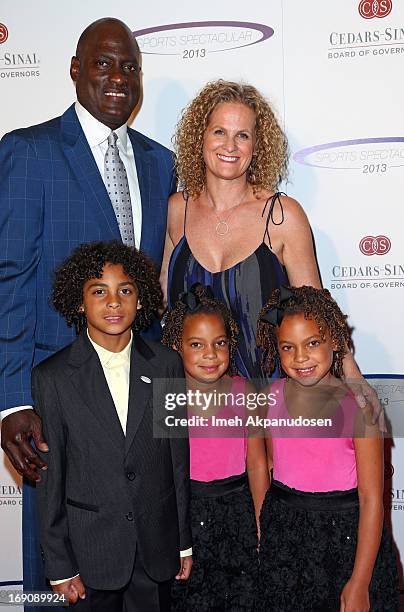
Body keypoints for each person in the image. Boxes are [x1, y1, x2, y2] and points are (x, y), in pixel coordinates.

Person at [0, 17, 175, 597]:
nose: (118, 77)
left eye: (129, 66)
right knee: (61, 572)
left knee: (144, 563)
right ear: (75, 69)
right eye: (103, 63)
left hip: (143, 403)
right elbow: (11, 280)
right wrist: (13, 401)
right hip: (60, 405)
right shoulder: (29, 151)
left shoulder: (160, 162)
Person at [161, 79, 380, 399]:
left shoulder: (282, 216)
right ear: (200, 137)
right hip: (192, 405)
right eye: (219, 131)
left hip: (268, 402)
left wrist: (353, 376)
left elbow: (316, 312)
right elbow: (161, 304)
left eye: (243, 135)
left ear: (257, 145)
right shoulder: (175, 211)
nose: (230, 146)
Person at [32, 240, 192, 611]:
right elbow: (51, 479)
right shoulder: (53, 377)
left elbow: (176, 460)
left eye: (126, 290)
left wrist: (182, 540)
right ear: (79, 301)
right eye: (99, 291)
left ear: (142, 298)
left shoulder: (166, 364)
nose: (114, 302)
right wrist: (59, 566)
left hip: (155, 548)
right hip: (90, 555)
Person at [256, 285, 399, 611]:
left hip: (345, 541)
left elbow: (371, 498)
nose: (300, 357)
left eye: (312, 344)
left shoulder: (359, 409)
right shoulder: (270, 398)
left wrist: (360, 581)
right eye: (287, 348)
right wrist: (267, 536)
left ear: (335, 341)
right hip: (287, 539)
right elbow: (270, 467)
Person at [162, 283, 269, 611]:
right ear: (177, 347)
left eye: (219, 343)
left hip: (236, 516)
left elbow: (257, 466)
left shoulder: (245, 391)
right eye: (197, 344)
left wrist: (262, 528)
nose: (210, 354)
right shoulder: (167, 397)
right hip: (183, 517)